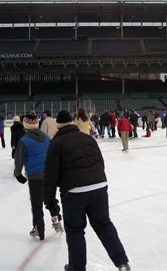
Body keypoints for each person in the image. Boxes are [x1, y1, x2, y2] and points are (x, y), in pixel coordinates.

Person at [43, 110, 130, 271]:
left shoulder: (56, 143)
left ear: (58, 126)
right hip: (99, 186)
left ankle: (77, 268)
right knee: (104, 225)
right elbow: (100, 163)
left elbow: (50, 176)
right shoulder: (87, 138)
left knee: (75, 230)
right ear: (72, 123)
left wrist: (49, 201)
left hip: (75, 192)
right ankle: (122, 263)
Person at [14, 112, 63, 241]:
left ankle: (39, 230)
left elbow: (19, 159)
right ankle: (56, 217)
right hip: (48, 175)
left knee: (36, 205)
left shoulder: (24, 140)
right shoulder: (47, 138)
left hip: (35, 176)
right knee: (50, 200)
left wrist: (18, 174)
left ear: (25, 125)